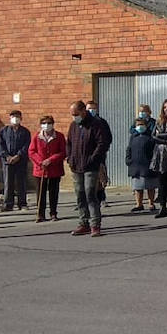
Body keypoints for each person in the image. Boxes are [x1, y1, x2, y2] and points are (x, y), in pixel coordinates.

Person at [67, 101, 111, 237]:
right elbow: (68, 142)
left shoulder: (95, 124)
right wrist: (69, 158)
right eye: (72, 115)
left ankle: (95, 225)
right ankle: (83, 222)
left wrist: (93, 159)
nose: (74, 117)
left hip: (91, 166)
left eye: (76, 114)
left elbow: (102, 143)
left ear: (83, 111)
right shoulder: (74, 125)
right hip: (76, 166)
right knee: (80, 195)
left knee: (90, 194)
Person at [29, 114, 65, 222]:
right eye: (44, 123)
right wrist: (41, 162)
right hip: (40, 170)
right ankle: (40, 214)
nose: (47, 125)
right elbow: (31, 151)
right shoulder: (36, 136)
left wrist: (51, 160)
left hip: (55, 169)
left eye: (49, 123)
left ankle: (53, 213)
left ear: (53, 124)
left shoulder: (59, 136)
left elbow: (63, 152)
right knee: (40, 192)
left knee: (53, 192)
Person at [0, 109, 31, 212]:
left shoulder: (25, 132)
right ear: (10, 118)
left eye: (17, 116)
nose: (15, 118)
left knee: (21, 182)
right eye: (13, 116)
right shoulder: (4, 130)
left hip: (21, 161)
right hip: (7, 161)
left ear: (21, 118)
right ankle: (8, 204)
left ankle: (22, 203)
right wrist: (7, 156)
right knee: (8, 183)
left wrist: (18, 155)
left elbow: (27, 146)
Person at [126, 117, 158, 212]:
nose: (140, 127)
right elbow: (129, 149)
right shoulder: (133, 137)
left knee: (150, 186)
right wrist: (128, 159)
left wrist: (153, 161)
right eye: (138, 125)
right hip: (135, 165)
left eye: (142, 125)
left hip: (148, 164)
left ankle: (151, 203)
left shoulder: (150, 137)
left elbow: (154, 150)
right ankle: (139, 204)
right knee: (138, 187)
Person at [85, 99, 111, 205]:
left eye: (93, 108)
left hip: (99, 155)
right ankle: (86, 201)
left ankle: (101, 198)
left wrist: (103, 149)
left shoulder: (102, 122)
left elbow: (108, 137)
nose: (91, 110)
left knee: (100, 177)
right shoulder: (82, 123)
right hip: (86, 156)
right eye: (89, 109)